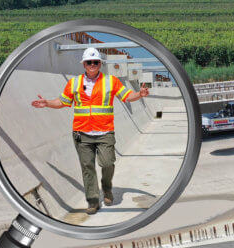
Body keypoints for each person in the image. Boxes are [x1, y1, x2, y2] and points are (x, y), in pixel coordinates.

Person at [32, 47, 149, 214]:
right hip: (82, 133)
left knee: (107, 163)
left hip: (105, 132)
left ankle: (107, 188)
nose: (92, 65)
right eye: (89, 62)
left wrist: (139, 94)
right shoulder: (74, 83)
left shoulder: (111, 81)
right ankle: (93, 200)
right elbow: (63, 101)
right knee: (87, 167)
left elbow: (127, 95)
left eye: (95, 62)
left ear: (100, 64)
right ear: (84, 64)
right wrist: (48, 103)